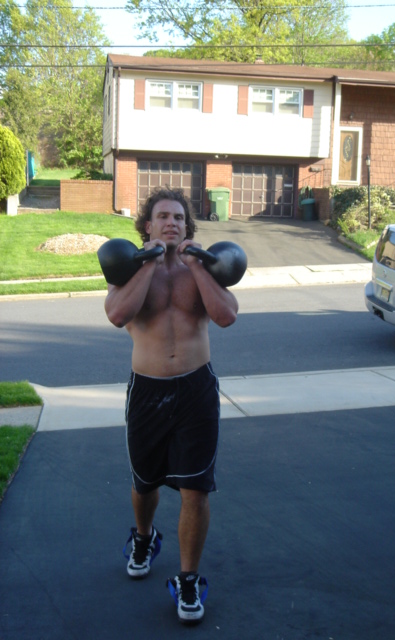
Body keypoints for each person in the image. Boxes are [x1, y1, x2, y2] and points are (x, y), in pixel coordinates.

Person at [104, 187, 239, 625]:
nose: (171, 223)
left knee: (196, 490)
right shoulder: (128, 267)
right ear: (147, 224)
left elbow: (225, 315)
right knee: (146, 484)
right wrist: (148, 261)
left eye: (179, 218)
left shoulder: (201, 267)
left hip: (196, 390)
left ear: (187, 226)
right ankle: (144, 536)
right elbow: (118, 314)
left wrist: (196, 264)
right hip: (147, 390)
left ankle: (187, 578)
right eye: (162, 216)